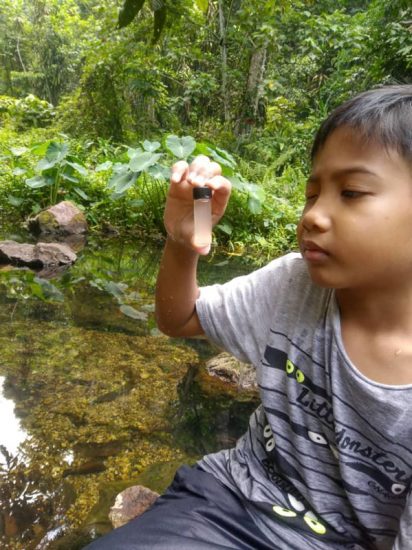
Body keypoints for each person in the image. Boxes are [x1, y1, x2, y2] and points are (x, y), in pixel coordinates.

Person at [85, 86, 412, 550]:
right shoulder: (295, 284)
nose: (314, 216)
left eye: (352, 192)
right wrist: (186, 241)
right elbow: (179, 320)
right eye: (311, 193)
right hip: (228, 501)